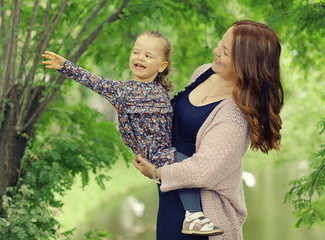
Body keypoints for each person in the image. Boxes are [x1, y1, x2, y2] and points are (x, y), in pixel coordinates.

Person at [42, 30, 223, 236]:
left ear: (162, 66)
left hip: (164, 149)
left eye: (148, 55)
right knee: (186, 166)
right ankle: (194, 216)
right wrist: (65, 66)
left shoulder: (160, 90)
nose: (140, 58)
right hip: (154, 154)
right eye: (136, 52)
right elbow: (92, 80)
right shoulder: (121, 91)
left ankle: (196, 213)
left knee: (188, 167)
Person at [133, 20, 284, 240]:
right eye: (220, 44)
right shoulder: (204, 73)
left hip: (203, 218)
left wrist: (156, 173)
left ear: (245, 64)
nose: (215, 51)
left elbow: (202, 170)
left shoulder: (235, 116)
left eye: (224, 51)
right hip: (171, 200)